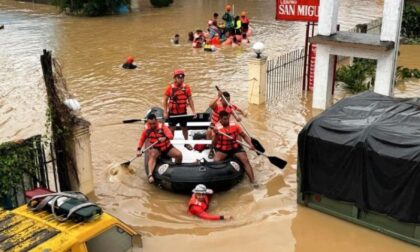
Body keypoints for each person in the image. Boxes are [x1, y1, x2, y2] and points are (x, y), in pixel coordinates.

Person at [137, 114, 182, 183]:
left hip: (167, 148)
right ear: (148, 122)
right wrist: (138, 150)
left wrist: (165, 138)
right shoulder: (146, 129)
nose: (152, 125)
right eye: (150, 124)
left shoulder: (162, 126)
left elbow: (170, 136)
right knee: (152, 156)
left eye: (154, 123)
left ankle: (177, 169)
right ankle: (150, 175)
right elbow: (141, 140)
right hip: (156, 148)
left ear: (157, 121)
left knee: (179, 155)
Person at [212, 111, 256, 183]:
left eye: (227, 118)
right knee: (215, 162)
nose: (227, 120)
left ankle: (253, 182)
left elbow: (244, 136)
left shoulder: (235, 126)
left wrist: (250, 144)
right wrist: (216, 134)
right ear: (220, 119)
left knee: (245, 160)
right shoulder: (216, 128)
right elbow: (213, 144)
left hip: (235, 148)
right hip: (223, 150)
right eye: (224, 119)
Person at [163, 69, 196, 151]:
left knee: (184, 128)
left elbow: (190, 100)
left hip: (183, 112)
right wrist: (165, 112)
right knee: (172, 129)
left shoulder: (187, 88)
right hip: (173, 113)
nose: (181, 79)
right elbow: (164, 100)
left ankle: (186, 142)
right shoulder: (169, 88)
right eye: (179, 77)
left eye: (182, 77)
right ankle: (170, 145)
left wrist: (194, 111)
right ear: (175, 78)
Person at [207, 91, 246, 158]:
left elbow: (237, 110)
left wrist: (240, 115)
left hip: (225, 125)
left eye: (228, 99)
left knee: (237, 132)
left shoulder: (230, 106)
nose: (227, 101)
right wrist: (218, 96)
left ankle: (240, 148)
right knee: (209, 131)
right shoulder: (216, 106)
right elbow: (210, 105)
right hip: (215, 124)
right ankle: (211, 149)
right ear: (221, 100)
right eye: (226, 100)